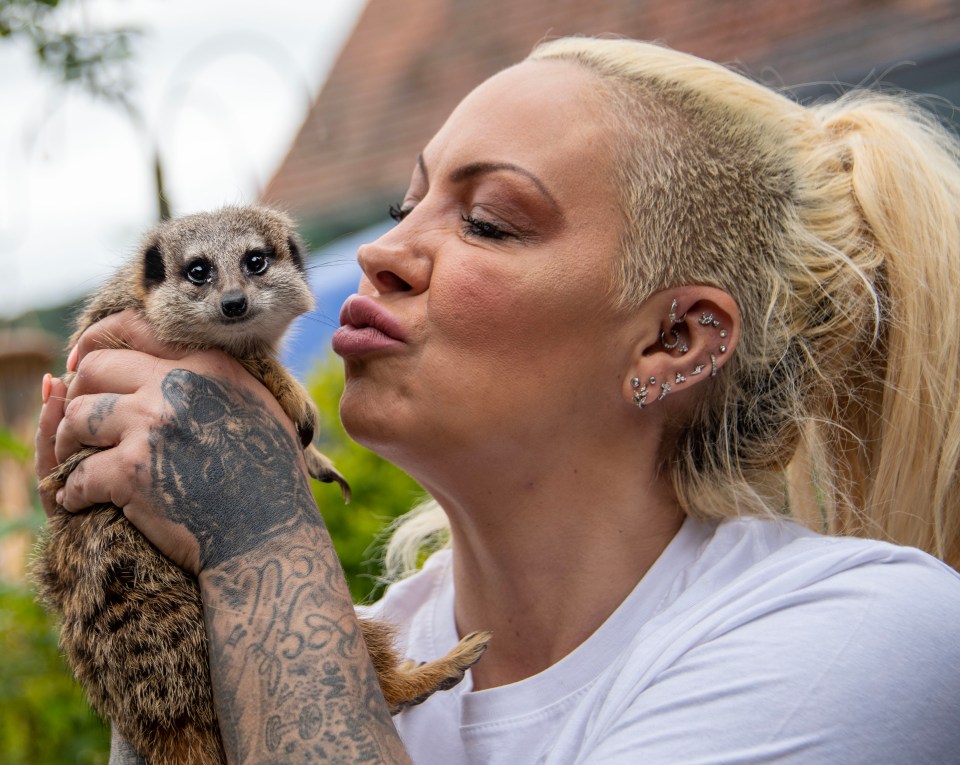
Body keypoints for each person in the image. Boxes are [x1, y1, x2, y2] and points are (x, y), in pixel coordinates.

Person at [36, 36, 960, 764]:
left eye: (488, 221)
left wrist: (258, 535)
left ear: (673, 340)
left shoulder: (865, 635)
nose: (378, 254)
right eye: (407, 206)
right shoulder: (351, 633)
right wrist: (143, 570)